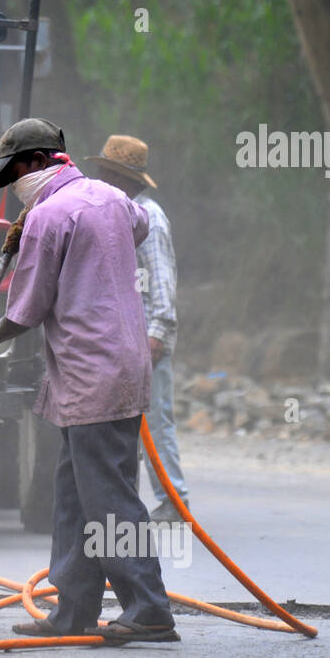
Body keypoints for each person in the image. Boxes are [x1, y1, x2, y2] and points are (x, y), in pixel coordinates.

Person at [0, 118, 178, 644]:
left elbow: (25, 312)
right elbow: (138, 227)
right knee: (72, 494)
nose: (14, 183)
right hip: (110, 365)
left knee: (108, 495)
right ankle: (74, 608)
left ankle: (150, 607)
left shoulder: (48, 215)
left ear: (42, 162)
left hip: (94, 369)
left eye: (17, 171)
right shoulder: (109, 197)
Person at [88, 135, 191, 522]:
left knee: (156, 423)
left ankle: (174, 501)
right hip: (121, 341)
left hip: (148, 339)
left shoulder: (150, 217)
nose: (99, 179)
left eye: (106, 173)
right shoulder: (118, 214)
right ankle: (126, 500)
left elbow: (161, 281)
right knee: (123, 425)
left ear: (122, 179)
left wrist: (158, 334)